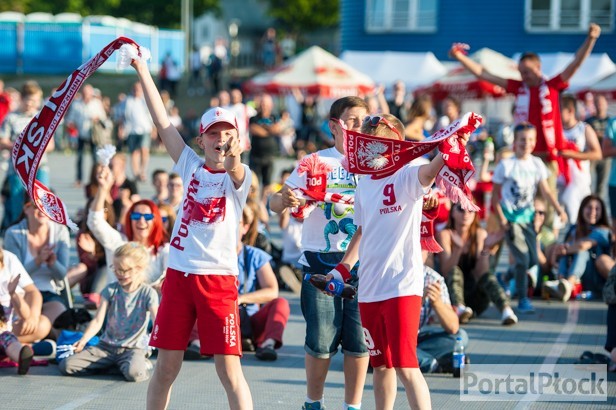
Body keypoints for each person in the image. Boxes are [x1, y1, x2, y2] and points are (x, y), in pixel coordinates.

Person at [131, 53, 253, 409]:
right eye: (213, 134)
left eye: (228, 134)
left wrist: (234, 156)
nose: (221, 139)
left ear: (238, 140)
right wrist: (141, 68)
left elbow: (238, 172)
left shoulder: (239, 178)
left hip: (218, 281)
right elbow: (162, 123)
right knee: (166, 369)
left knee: (229, 372)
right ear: (202, 140)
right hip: (180, 277)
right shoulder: (190, 165)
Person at [327, 113, 469, 409]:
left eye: (374, 138)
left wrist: (449, 149)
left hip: (402, 285)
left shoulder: (408, 170)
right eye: (365, 139)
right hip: (370, 288)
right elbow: (363, 231)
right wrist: (341, 270)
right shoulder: (364, 181)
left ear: (393, 141)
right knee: (380, 366)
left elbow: (429, 172)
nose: (367, 145)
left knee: (406, 366)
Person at [270, 96, 370, 410]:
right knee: (321, 339)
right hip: (320, 263)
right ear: (333, 126)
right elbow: (274, 204)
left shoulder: (375, 165)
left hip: (365, 264)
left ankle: (352, 406)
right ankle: (313, 402)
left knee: (357, 342)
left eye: (363, 121)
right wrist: (284, 200)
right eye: (352, 120)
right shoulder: (316, 161)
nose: (358, 127)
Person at [450, 23, 601, 228]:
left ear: (538, 68)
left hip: (548, 157)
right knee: (523, 204)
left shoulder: (552, 86)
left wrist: (591, 39)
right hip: (523, 156)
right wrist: (460, 57)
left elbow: (575, 64)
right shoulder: (518, 87)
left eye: (527, 71)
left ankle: (546, 248)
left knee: (547, 208)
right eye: (521, 72)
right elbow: (484, 74)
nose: (524, 76)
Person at [491, 123, 568, 314]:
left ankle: (506, 276)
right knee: (523, 259)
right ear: (515, 142)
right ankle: (523, 299)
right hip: (511, 220)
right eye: (522, 140)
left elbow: (546, 190)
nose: (527, 143)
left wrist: (559, 209)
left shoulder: (536, 164)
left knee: (533, 259)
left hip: (529, 219)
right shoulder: (506, 165)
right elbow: (494, 197)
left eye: (530, 139)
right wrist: (502, 219)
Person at [59, 243, 158, 382]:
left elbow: (157, 320)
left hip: (132, 348)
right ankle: (115, 365)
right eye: (116, 269)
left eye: (124, 270)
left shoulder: (147, 293)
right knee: (67, 365)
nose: (119, 274)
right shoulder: (110, 290)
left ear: (138, 269)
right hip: (106, 347)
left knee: (134, 374)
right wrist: (84, 340)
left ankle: (137, 364)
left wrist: (155, 341)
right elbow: (98, 320)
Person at [437, 203, 518, 325]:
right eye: (461, 209)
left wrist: (485, 248)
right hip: (451, 300)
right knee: (455, 271)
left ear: (475, 214)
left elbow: (481, 273)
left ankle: (506, 310)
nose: (466, 214)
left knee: (488, 277)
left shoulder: (480, 234)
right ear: (452, 212)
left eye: (470, 210)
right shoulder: (445, 235)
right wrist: (458, 250)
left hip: (475, 298)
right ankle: (459, 308)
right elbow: (446, 270)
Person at [87, 168, 168, 288]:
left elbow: (171, 279)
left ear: (156, 220)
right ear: (129, 220)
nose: (141, 221)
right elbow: (95, 221)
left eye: (147, 216)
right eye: (135, 216)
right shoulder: (119, 243)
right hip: (117, 305)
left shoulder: (164, 250)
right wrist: (103, 189)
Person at [4, 196, 71, 331]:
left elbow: (62, 274)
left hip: (50, 293)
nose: (42, 210)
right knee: (25, 326)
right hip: (22, 294)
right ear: (26, 208)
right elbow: (13, 276)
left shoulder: (60, 231)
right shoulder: (14, 233)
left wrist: (53, 263)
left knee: (59, 325)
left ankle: (36, 340)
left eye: (47, 206)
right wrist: (38, 261)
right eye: (37, 206)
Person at [237, 206, 290, 361]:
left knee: (281, 303)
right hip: (220, 318)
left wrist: (240, 299)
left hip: (248, 319)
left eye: (236, 223)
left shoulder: (255, 255)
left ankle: (268, 344)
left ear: (245, 228)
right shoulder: (211, 256)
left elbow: (272, 291)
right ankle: (196, 343)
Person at [0, 81, 51, 232]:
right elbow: (2, 141)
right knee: (16, 204)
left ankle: (41, 234)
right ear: (23, 99)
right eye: (31, 100)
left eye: (37, 100)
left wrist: (36, 147)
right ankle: (17, 233)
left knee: (42, 202)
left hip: (39, 167)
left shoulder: (41, 117)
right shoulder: (11, 117)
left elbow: (51, 144)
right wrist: (18, 145)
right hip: (17, 169)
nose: (34, 104)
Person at [546, 195, 613, 301]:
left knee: (582, 252)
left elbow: (584, 245)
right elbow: (562, 249)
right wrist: (557, 254)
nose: (593, 212)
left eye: (597, 209)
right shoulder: (573, 229)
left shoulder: (603, 231)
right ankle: (561, 283)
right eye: (589, 207)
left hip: (594, 279)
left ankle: (568, 284)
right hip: (577, 277)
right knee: (565, 252)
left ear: (602, 212)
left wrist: (565, 250)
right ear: (582, 209)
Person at [417, 255, 468, 374]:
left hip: (416, 339)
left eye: (422, 247)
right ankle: (436, 364)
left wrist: (437, 303)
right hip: (393, 339)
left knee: (460, 337)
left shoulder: (433, 278)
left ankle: (422, 359)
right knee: (393, 348)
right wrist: (417, 302)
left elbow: (453, 327)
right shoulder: (392, 274)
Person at [558, 94, 602, 222]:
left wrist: (571, 154)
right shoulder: (556, 130)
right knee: (557, 221)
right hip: (560, 182)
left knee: (580, 218)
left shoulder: (584, 128)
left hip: (580, 182)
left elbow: (597, 154)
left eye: (559, 110)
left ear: (570, 111)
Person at [0, 248, 39, 374]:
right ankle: (34, 348)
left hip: (3, 336)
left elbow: (26, 314)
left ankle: (22, 357)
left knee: (8, 338)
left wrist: (13, 294)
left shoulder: (9, 260)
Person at [66, 84, 107, 187]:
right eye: (84, 93)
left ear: (91, 93)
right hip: (81, 134)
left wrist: (97, 118)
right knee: (79, 158)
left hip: (93, 135)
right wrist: (72, 124)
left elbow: (103, 117)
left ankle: (95, 179)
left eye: (88, 93)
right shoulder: (76, 104)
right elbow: (70, 118)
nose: (86, 95)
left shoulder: (96, 103)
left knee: (95, 158)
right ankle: (79, 179)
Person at [249, 94, 281, 188]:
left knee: (268, 184)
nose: (264, 106)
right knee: (254, 183)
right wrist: (268, 130)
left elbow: (276, 129)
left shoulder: (274, 117)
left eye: (266, 104)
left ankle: (264, 202)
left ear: (271, 105)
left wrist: (262, 127)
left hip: (269, 156)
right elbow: (254, 129)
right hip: (256, 156)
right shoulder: (253, 118)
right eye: (262, 103)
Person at [586, 94, 611, 198]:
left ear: (606, 104)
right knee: (590, 182)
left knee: (602, 185)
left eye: (601, 103)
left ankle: (599, 207)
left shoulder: (611, 121)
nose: (599, 105)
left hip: (606, 157)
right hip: (592, 156)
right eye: (597, 103)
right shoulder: (588, 121)